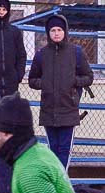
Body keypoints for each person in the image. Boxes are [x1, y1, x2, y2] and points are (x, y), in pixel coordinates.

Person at [28, 15, 93, 169]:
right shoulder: (41, 54)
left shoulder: (76, 52)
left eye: (59, 30)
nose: (56, 33)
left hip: (69, 109)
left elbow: (88, 76)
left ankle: (62, 181)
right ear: (48, 33)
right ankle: (55, 180)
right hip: (49, 109)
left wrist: (74, 81)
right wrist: (45, 83)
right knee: (53, 149)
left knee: (65, 149)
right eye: (53, 30)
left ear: (65, 31)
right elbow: (32, 80)